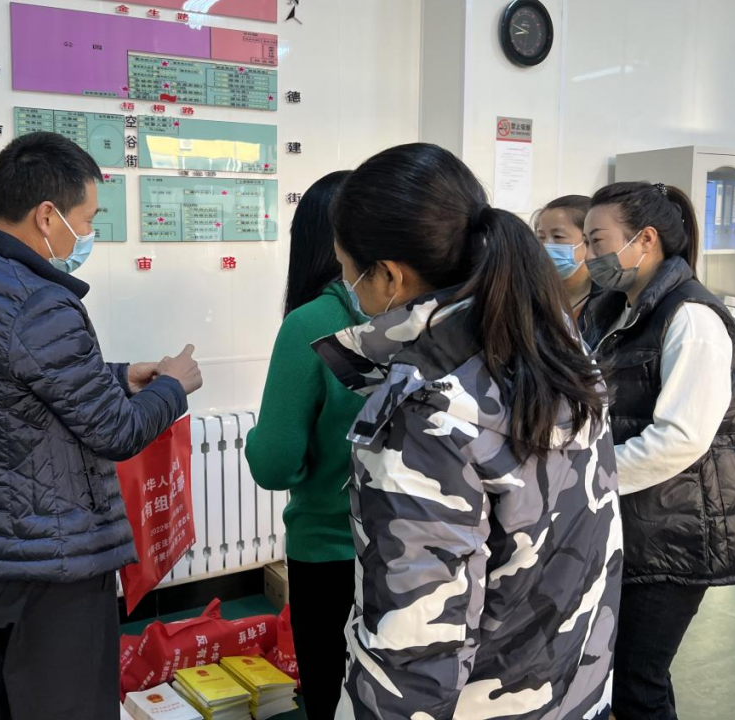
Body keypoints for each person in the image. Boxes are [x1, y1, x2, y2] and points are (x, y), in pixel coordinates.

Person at [312, 143, 623, 719]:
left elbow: (414, 646)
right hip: (575, 688)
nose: (347, 284)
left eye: (347, 269)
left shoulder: (425, 411)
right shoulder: (557, 346)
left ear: (390, 275)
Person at [0, 132, 203, 720]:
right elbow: (116, 434)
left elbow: (18, 382)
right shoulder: (38, 302)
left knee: (0, 698)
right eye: (88, 219)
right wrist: (173, 387)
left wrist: (121, 376)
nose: (88, 233)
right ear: (47, 216)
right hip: (51, 554)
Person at [579, 182, 735, 720]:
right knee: (624, 673)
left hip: (683, 528)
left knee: (636, 681)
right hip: (643, 518)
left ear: (645, 240)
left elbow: (681, 439)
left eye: (597, 241)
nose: (588, 255)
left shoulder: (691, 317)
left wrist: (586, 475)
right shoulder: (615, 309)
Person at [244, 170, 364, 720]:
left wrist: (259, 440)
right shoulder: (431, 316)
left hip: (328, 547)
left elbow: (273, 463)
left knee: (330, 692)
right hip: (416, 546)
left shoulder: (312, 323)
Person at [535, 194, 594, 317]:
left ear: (589, 240)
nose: (546, 246)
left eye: (558, 236)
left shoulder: (609, 300)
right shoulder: (532, 293)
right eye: (541, 237)